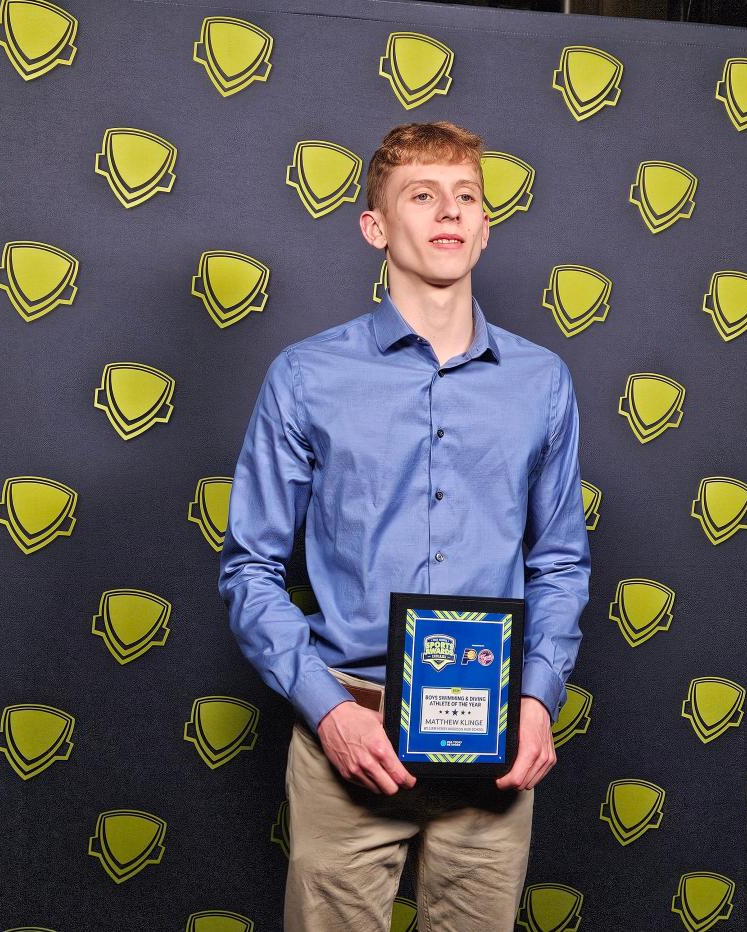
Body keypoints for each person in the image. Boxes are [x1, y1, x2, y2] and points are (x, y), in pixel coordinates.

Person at [216, 120, 591, 932]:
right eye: (421, 196)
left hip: (493, 745)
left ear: (486, 226)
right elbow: (250, 569)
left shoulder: (541, 382)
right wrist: (327, 710)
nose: (448, 213)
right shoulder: (307, 378)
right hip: (347, 733)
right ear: (376, 227)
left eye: (466, 197)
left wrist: (538, 696)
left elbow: (560, 562)